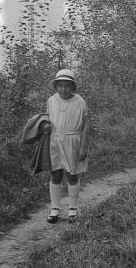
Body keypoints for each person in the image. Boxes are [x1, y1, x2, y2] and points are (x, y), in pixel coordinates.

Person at [43, 68, 90, 224]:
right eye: (60, 85)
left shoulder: (80, 102)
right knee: (55, 175)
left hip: (73, 141)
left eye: (67, 85)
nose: (64, 89)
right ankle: (55, 209)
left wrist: (83, 146)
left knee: (72, 174)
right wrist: (46, 127)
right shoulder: (51, 101)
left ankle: (73, 208)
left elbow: (85, 125)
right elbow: (48, 120)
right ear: (56, 86)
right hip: (54, 141)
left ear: (73, 87)